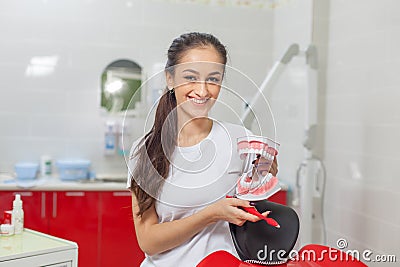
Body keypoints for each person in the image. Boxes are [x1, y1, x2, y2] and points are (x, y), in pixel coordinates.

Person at [127, 32, 278, 267]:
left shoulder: (241, 139)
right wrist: (211, 214)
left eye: (214, 79)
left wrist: (266, 170)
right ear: (170, 79)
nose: (203, 90)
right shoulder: (145, 151)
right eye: (190, 77)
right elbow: (148, 241)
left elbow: (260, 196)